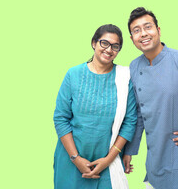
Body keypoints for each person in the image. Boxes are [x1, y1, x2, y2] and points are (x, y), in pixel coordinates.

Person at [123, 7, 178, 189]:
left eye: (147, 27)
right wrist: (129, 150)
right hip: (154, 162)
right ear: (132, 39)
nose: (143, 34)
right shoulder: (134, 67)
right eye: (136, 30)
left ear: (158, 30)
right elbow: (140, 113)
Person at [53, 24, 137, 189]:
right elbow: (60, 118)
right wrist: (76, 158)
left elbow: (130, 122)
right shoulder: (73, 74)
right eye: (104, 43)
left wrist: (108, 159)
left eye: (115, 46)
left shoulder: (124, 78)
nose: (109, 49)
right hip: (70, 161)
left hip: (107, 164)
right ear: (94, 43)